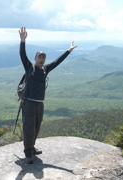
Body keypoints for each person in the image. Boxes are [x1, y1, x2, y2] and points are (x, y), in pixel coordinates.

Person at [19, 26, 77, 164]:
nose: (42, 59)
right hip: (29, 104)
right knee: (28, 129)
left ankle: (32, 148)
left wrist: (68, 51)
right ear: (35, 58)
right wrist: (22, 41)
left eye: (44, 57)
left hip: (39, 104)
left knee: (37, 127)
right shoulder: (30, 68)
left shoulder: (45, 69)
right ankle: (28, 154)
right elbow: (22, 55)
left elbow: (57, 61)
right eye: (40, 57)